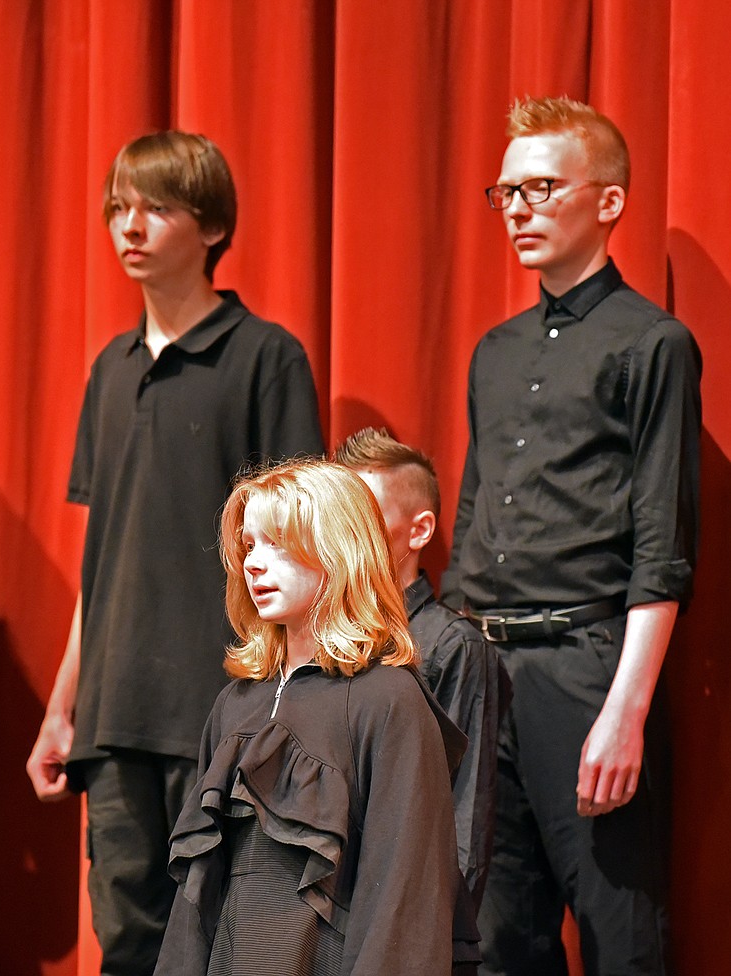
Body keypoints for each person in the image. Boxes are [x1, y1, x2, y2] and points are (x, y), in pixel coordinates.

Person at [24, 131, 324, 976]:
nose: (131, 225)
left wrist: (285, 698)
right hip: (116, 711)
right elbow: (105, 554)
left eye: (157, 207)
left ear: (212, 227)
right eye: (119, 207)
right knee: (127, 943)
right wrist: (62, 704)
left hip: (223, 702)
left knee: (228, 934)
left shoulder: (266, 356)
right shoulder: (111, 371)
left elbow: (304, 545)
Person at [442, 96, 701, 976]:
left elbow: (662, 542)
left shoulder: (654, 343)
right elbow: (475, 513)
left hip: (588, 666)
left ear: (608, 202)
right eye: (505, 192)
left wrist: (623, 712)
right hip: (487, 669)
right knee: (500, 938)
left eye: (541, 188)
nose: (517, 208)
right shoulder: (495, 350)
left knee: (619, 929)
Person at [154, 460, 467, 975]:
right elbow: (196, 901)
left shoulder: (389, 700)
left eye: (276, 542)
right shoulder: (235, 702)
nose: (254, 563)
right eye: (249, 545)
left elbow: (405, 900)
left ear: (339, 549)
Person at [335, 426, 509, 911]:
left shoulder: (453, 647)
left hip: (405, 923)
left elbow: (464, 820)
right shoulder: (321, 641)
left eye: (366, 517)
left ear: (420, 529)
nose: (348, 536)